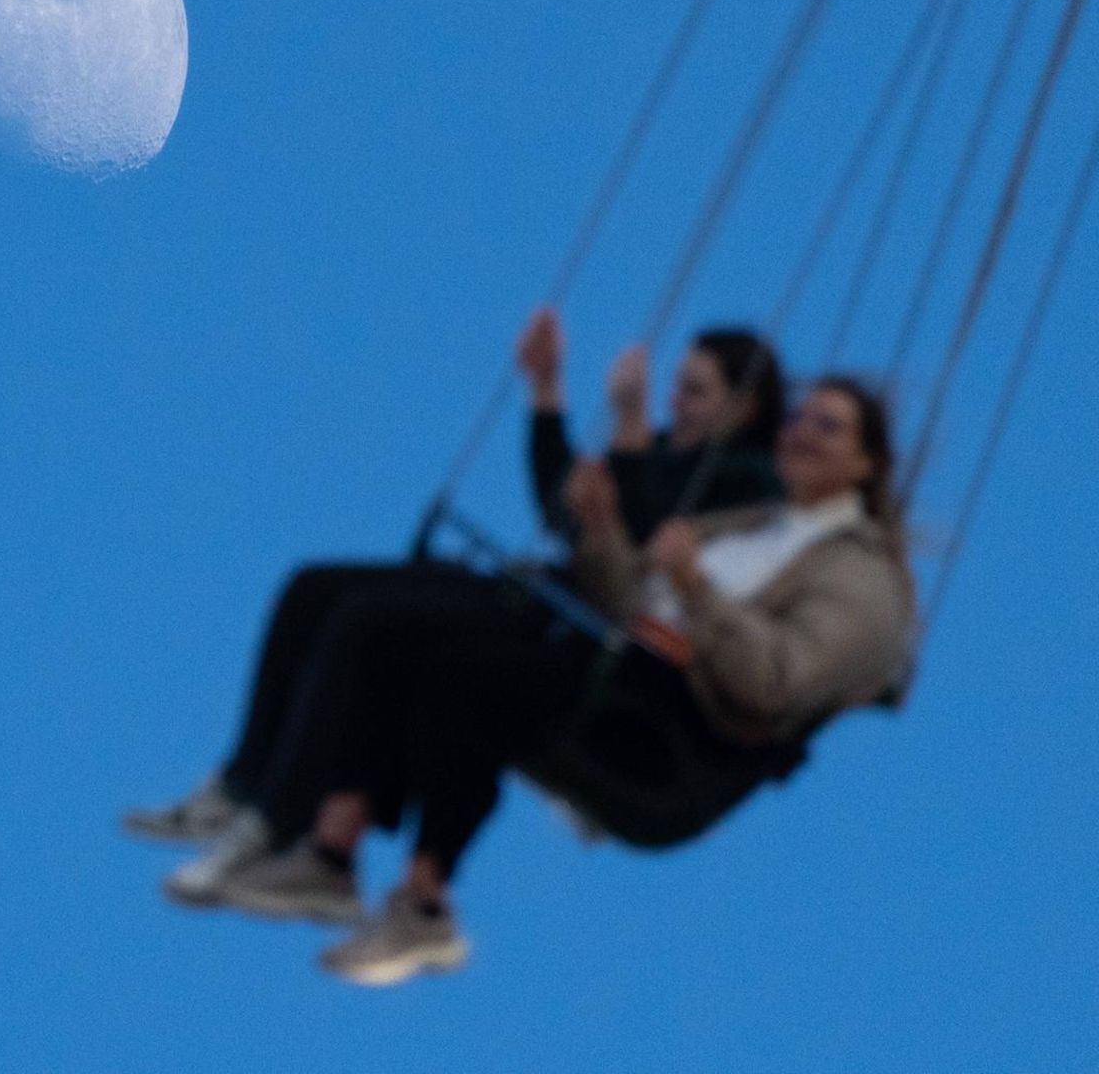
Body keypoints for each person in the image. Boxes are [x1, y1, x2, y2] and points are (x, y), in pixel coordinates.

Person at [202, 378, 915, 987]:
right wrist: (603, 530)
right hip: (617, 666)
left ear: (866, 462)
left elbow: (774, 684)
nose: (802, 434)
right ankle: (328, 850)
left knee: (457, 662)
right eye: (798, 419)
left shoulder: (861, 578)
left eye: (830, 427)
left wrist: (698, 589)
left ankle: (398, 893)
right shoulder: (756, 522)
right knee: (379, 614)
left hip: (667, 736)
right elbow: (629, 599)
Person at [124, 313, 784, 907]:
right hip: (554, 590)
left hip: (584, 635)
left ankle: (279, 823)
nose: (676, 403)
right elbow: (566, 516)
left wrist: (632, 436)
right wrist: (547, 393)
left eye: (695, 391)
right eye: (676, 387)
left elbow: (644, 547)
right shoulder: (667, 450)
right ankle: (247, 786)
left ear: (744, 407)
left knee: (379, 626)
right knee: (318, 590)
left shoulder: (749, 485)